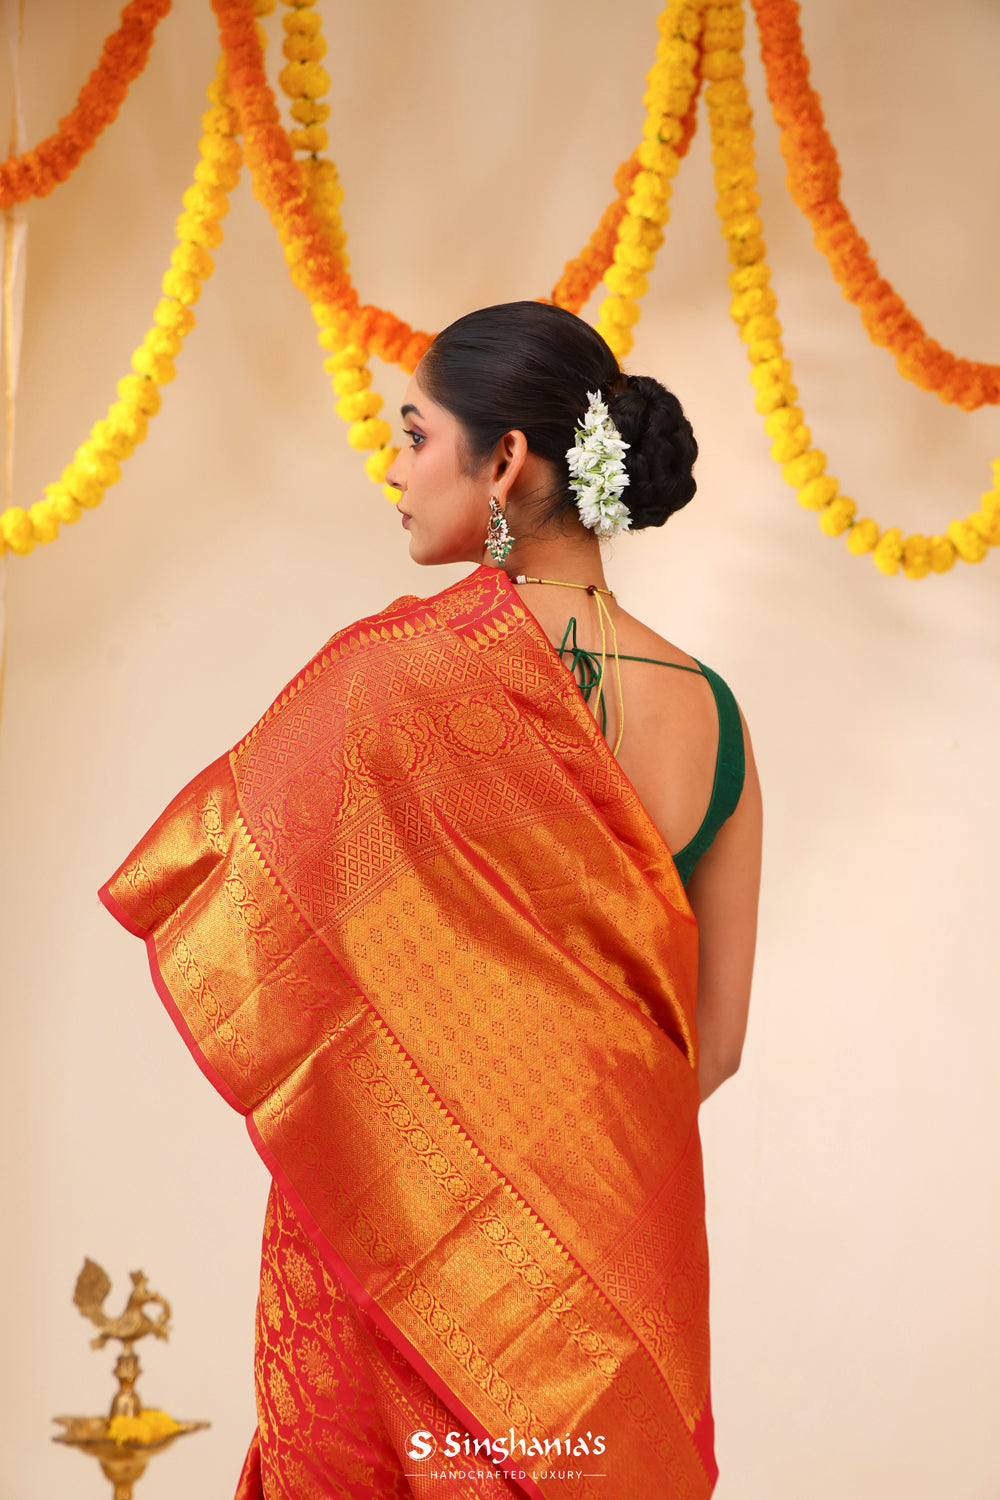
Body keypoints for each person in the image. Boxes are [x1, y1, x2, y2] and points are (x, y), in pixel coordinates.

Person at [100, 300, 761, 1500]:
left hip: (401, 1241)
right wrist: (556, 1169)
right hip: (612, 1258)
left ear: (503, 460)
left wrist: (442, 1154)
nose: (393, 471)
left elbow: (248, 902)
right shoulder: (712, 712)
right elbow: (710, 1046)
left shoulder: (391, 681)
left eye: (414, 435)